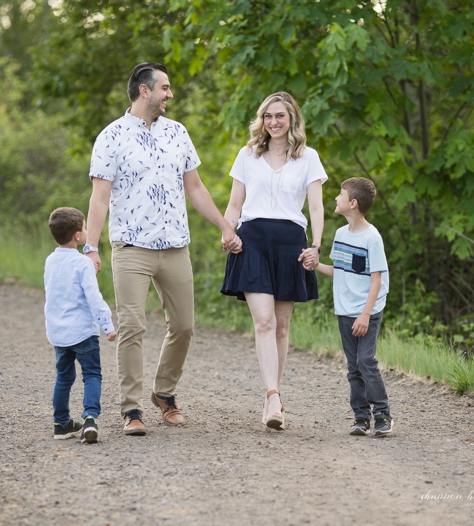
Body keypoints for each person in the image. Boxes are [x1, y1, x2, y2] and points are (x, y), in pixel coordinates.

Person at [83, 62, 242, 436]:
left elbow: (196, 188)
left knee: (184, 326)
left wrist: (224, 226)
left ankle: (164, 393)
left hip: (175, 246)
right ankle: (131, 409)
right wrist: (91, 246)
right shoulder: (111, 137)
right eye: (165, 88)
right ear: (144, 90)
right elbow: (99, 198)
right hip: (131, 247)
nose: (170, 94)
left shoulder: (177, 133)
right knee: (132, 326)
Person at [220, 91, 326, 429]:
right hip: (252, 242)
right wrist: (227, 232)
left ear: (292, 119)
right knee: (264, 321)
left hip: (289, 244)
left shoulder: (308, 157)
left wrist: (317, 245)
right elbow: (235, 205)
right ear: (261, 120)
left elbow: (317, 207)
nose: (273, 122)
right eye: (268, 116)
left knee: (281, 326)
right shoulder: (247, 155)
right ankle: (273, 396)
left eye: (280, 116)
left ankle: (272, 397)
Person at [302, 177, 393, 436]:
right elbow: (339, 271)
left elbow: (377, 280)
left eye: (340, 195)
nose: (335, 199)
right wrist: (315, 265)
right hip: (345, 311)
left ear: (352, 203)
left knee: (366, 361)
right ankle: (361, 417)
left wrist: (365, 315)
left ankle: (383, 413)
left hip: (367, 312)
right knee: (353, 366)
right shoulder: (341, 235)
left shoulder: (372, 238)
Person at [43, 207, 118, 444]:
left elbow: (55, 294)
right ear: (78, 235)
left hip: (58, 333)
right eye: (84, 228)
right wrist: (107, 325)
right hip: (82, 333)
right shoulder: (83, 263)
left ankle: (61, 423)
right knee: (92, 374)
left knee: (63, 378)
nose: (86, 231)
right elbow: (93, 298)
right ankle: (89, 419)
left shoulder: (50, 261)